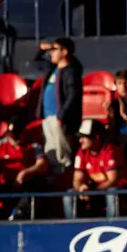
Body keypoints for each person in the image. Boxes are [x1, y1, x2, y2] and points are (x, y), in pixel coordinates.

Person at [0, 115, 50, 220]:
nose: (14, 138)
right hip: (6, 184)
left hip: (26, 184)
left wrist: (25, 173)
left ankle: (20, 212)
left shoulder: (33, 145)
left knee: (38, 184)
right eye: (12, 135)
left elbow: (42, 164)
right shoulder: (0, 145)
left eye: (18, 134)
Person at [63, 120, 127, 219]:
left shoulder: (109, 150)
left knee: (112, 193)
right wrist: (81, 188)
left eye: (84, 137)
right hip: (94, 191)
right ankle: (73, 228)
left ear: (96, 137)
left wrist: (93, 191)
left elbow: (113, 180)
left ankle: (112, 225)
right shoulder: (82, 152)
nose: (80, 140)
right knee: (69, 195)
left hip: (120, 192)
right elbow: (77, 180)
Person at [36, 38, 82, 171]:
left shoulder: (70, 72)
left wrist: (61, 116)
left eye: (54, 49)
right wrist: (41, 49)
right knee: (51, 153)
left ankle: (65, 182)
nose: (51, 53)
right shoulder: (53, 69)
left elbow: (72, 95)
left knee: (63, 155)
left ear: (65, 52)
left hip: (60, 120)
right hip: (48, 118)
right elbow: (37, 63)